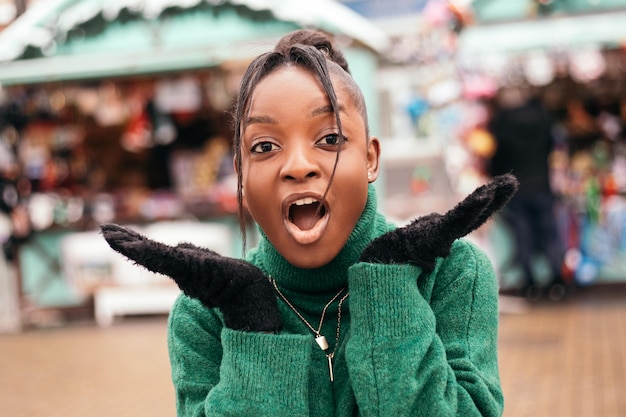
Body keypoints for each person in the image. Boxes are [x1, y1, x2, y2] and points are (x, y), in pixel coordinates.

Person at [102, 30, 517, 416]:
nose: (298, 166)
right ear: (241, 175)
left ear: (370, 158)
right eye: (264, 146)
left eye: (330, 139)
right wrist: (253, 329)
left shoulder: (451, 274)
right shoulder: (205, 314)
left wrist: (390, 290)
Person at [487, 90, 567, 301]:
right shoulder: (543, 117)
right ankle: (557, 282)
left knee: (523, 236)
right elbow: (552, 147)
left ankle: (530, 284)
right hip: (542, 184)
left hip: (516, 188)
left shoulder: (503, 123)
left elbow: (497, 157)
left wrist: (497, 179)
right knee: (550, 234)